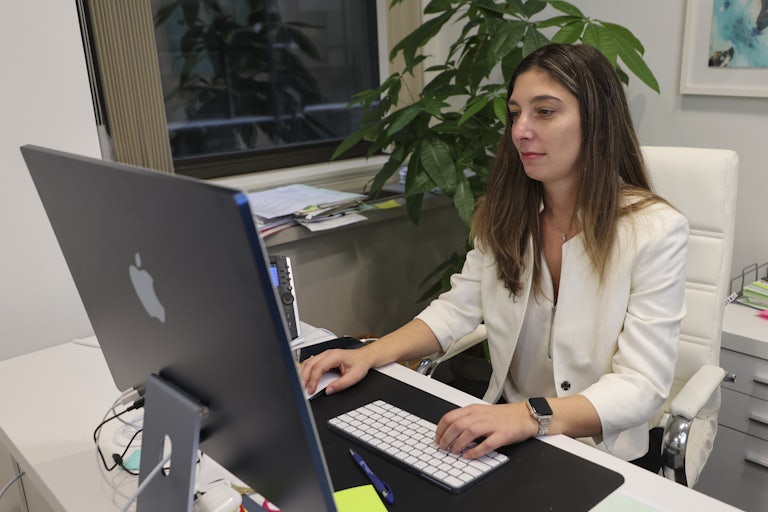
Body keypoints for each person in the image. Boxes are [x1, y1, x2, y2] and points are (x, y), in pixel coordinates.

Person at [301, 43, 688, 471]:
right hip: (514, 433)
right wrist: (368, 353)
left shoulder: (655, 231)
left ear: (598, 126)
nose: (520, 129)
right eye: (515, 113)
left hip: (604, 449)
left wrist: (527, 416)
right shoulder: (508, 214)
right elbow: (457, 308)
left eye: (544, 111)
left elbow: (642, 385)